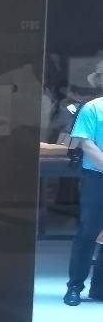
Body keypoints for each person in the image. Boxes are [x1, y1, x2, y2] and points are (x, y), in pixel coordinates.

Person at [65, 63, 103, 305]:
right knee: (88, 232)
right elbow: (86, 144)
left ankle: (99, 287)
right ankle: (75, 286)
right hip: (97, 177)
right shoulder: (93, 108)